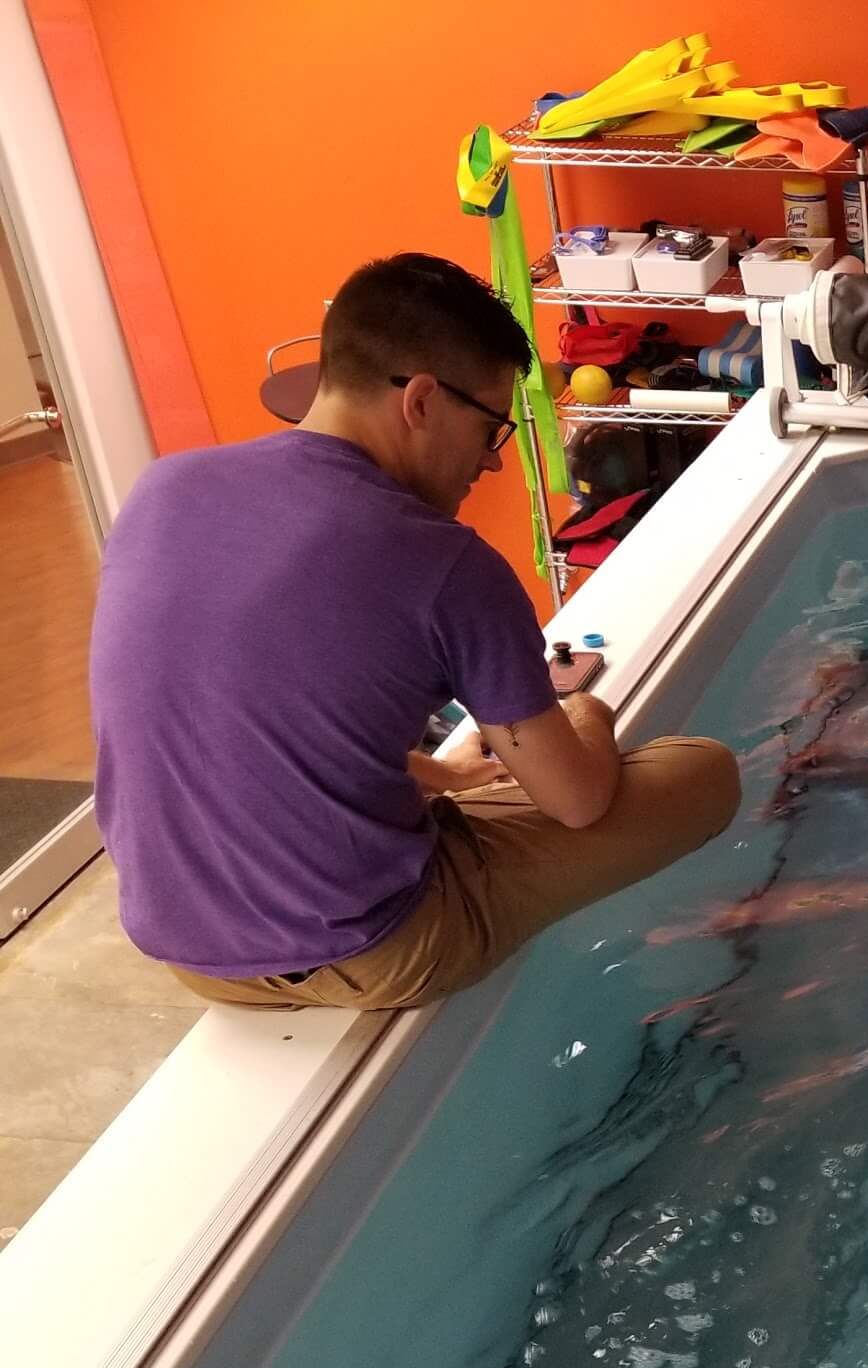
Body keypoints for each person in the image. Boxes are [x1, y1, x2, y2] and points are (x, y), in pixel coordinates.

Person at [89, 253, 739, 1011]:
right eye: (492, 429)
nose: (489, 466)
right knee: (701, 770)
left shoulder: (163, 488)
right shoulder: (448, 562)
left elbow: (240, 709)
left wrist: (436, 774)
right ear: (423, 400)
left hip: (188, 950)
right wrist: (586, 715)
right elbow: (578, 802)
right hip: (372, 947)